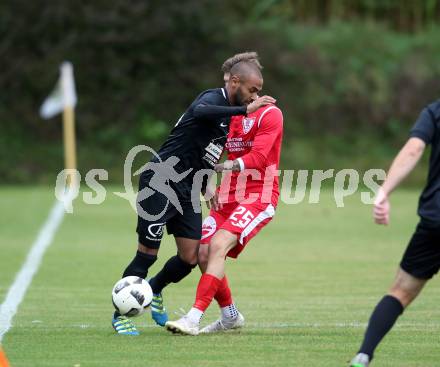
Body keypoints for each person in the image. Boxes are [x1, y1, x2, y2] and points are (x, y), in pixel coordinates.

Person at [112, 61, 276, 335]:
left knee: (191, 256)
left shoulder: (229, 118)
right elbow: (200, 111)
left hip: (187, 189)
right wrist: (244, 109)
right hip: (160, 181)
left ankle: (154, 290)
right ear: (234, 82)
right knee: (147, 253)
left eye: (258, 91)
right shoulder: (214, 98)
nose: (254, 96)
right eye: (252, 89)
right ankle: (120, 315)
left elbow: (206, 152)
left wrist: (207, 184)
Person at [165, 94, 284, 335]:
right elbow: (212, 154)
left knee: (219, 245)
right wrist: (207, 183)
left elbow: (259, 157)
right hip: (227, 196)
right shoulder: (229, 117)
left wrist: (229, 166)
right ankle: (230, 315)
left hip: (258, 196)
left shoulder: (270, 114)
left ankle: (193, 318)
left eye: (253, 88)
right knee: (202, 252)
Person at [350, 101, 440, 366]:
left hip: (436, 219)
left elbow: (414, 149)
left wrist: (383, 191)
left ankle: (363, 355)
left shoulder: (435, 111)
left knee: (400, 291)